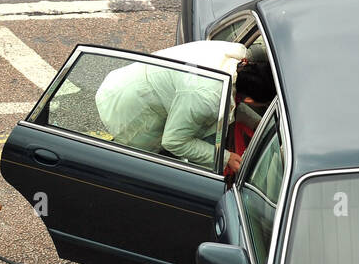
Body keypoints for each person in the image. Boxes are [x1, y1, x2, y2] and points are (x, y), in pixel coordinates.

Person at [95, 41, 275, 175]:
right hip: (131, 106)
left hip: (141, 80)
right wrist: (226, 157)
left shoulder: (237, 54)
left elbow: (232, 98)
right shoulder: (205, 97)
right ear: (250, 100)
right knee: (135, 166)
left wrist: (255, 122)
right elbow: (174, 141)